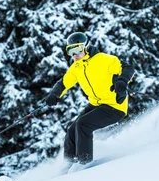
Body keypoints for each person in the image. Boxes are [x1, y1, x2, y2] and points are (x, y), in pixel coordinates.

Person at [45, 31, 135, 165]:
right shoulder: (76, 67)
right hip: (96, 105)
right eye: (70, 51)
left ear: (86, 47)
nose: (74, 55)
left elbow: (127, 68)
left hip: (114, 106)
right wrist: (54, 94)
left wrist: (122, 81)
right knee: (71, 131)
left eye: (77, 49)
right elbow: (63, 83)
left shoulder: (104, 59)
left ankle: (84, 164)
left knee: (83, 125)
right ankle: (68, 165)